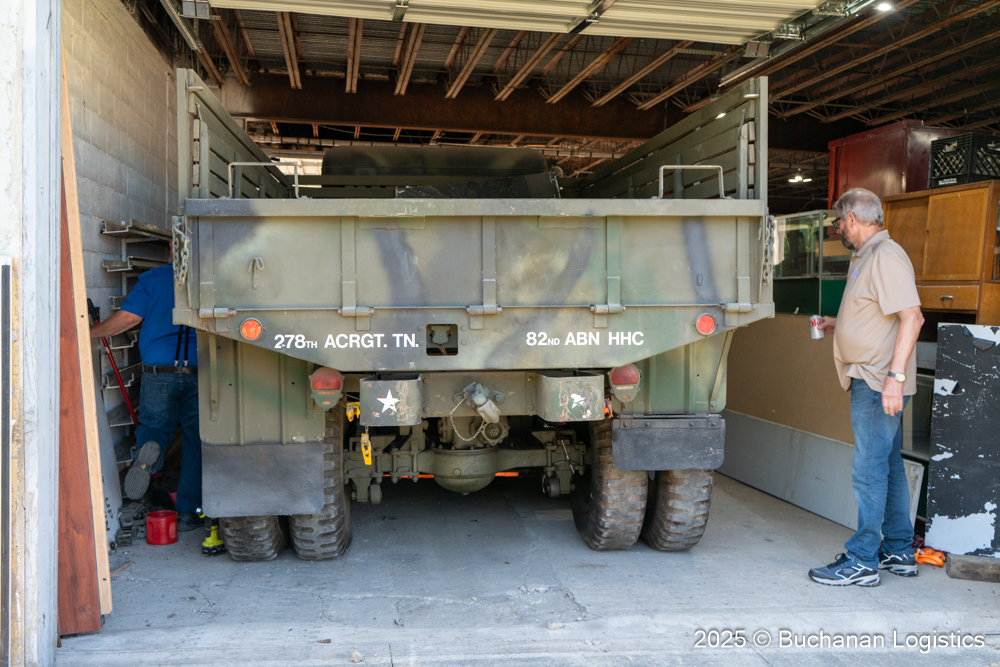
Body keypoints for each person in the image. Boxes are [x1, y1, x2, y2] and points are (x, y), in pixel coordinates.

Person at [808, 188, 924, 587]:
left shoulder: (886, 256)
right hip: (874, 377)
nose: (837, 228)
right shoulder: (867, 256)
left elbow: (912, 317)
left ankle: (861, 560)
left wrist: (895, 379)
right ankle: (898, 550)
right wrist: (837, 325)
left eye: (839, 221)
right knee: (888, 466)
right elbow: (878, 316)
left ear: (853, 220)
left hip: (878, 382)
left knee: (869, 469)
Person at [91, 262, 203, 532]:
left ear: (172, 245)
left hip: (158, 372)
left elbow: (129, 318)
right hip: (201, 372)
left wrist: (89, 333)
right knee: (196, 439)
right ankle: (188, 511)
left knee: (154, 428)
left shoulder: (153, 278)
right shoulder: (209, 275)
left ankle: (149, 459)